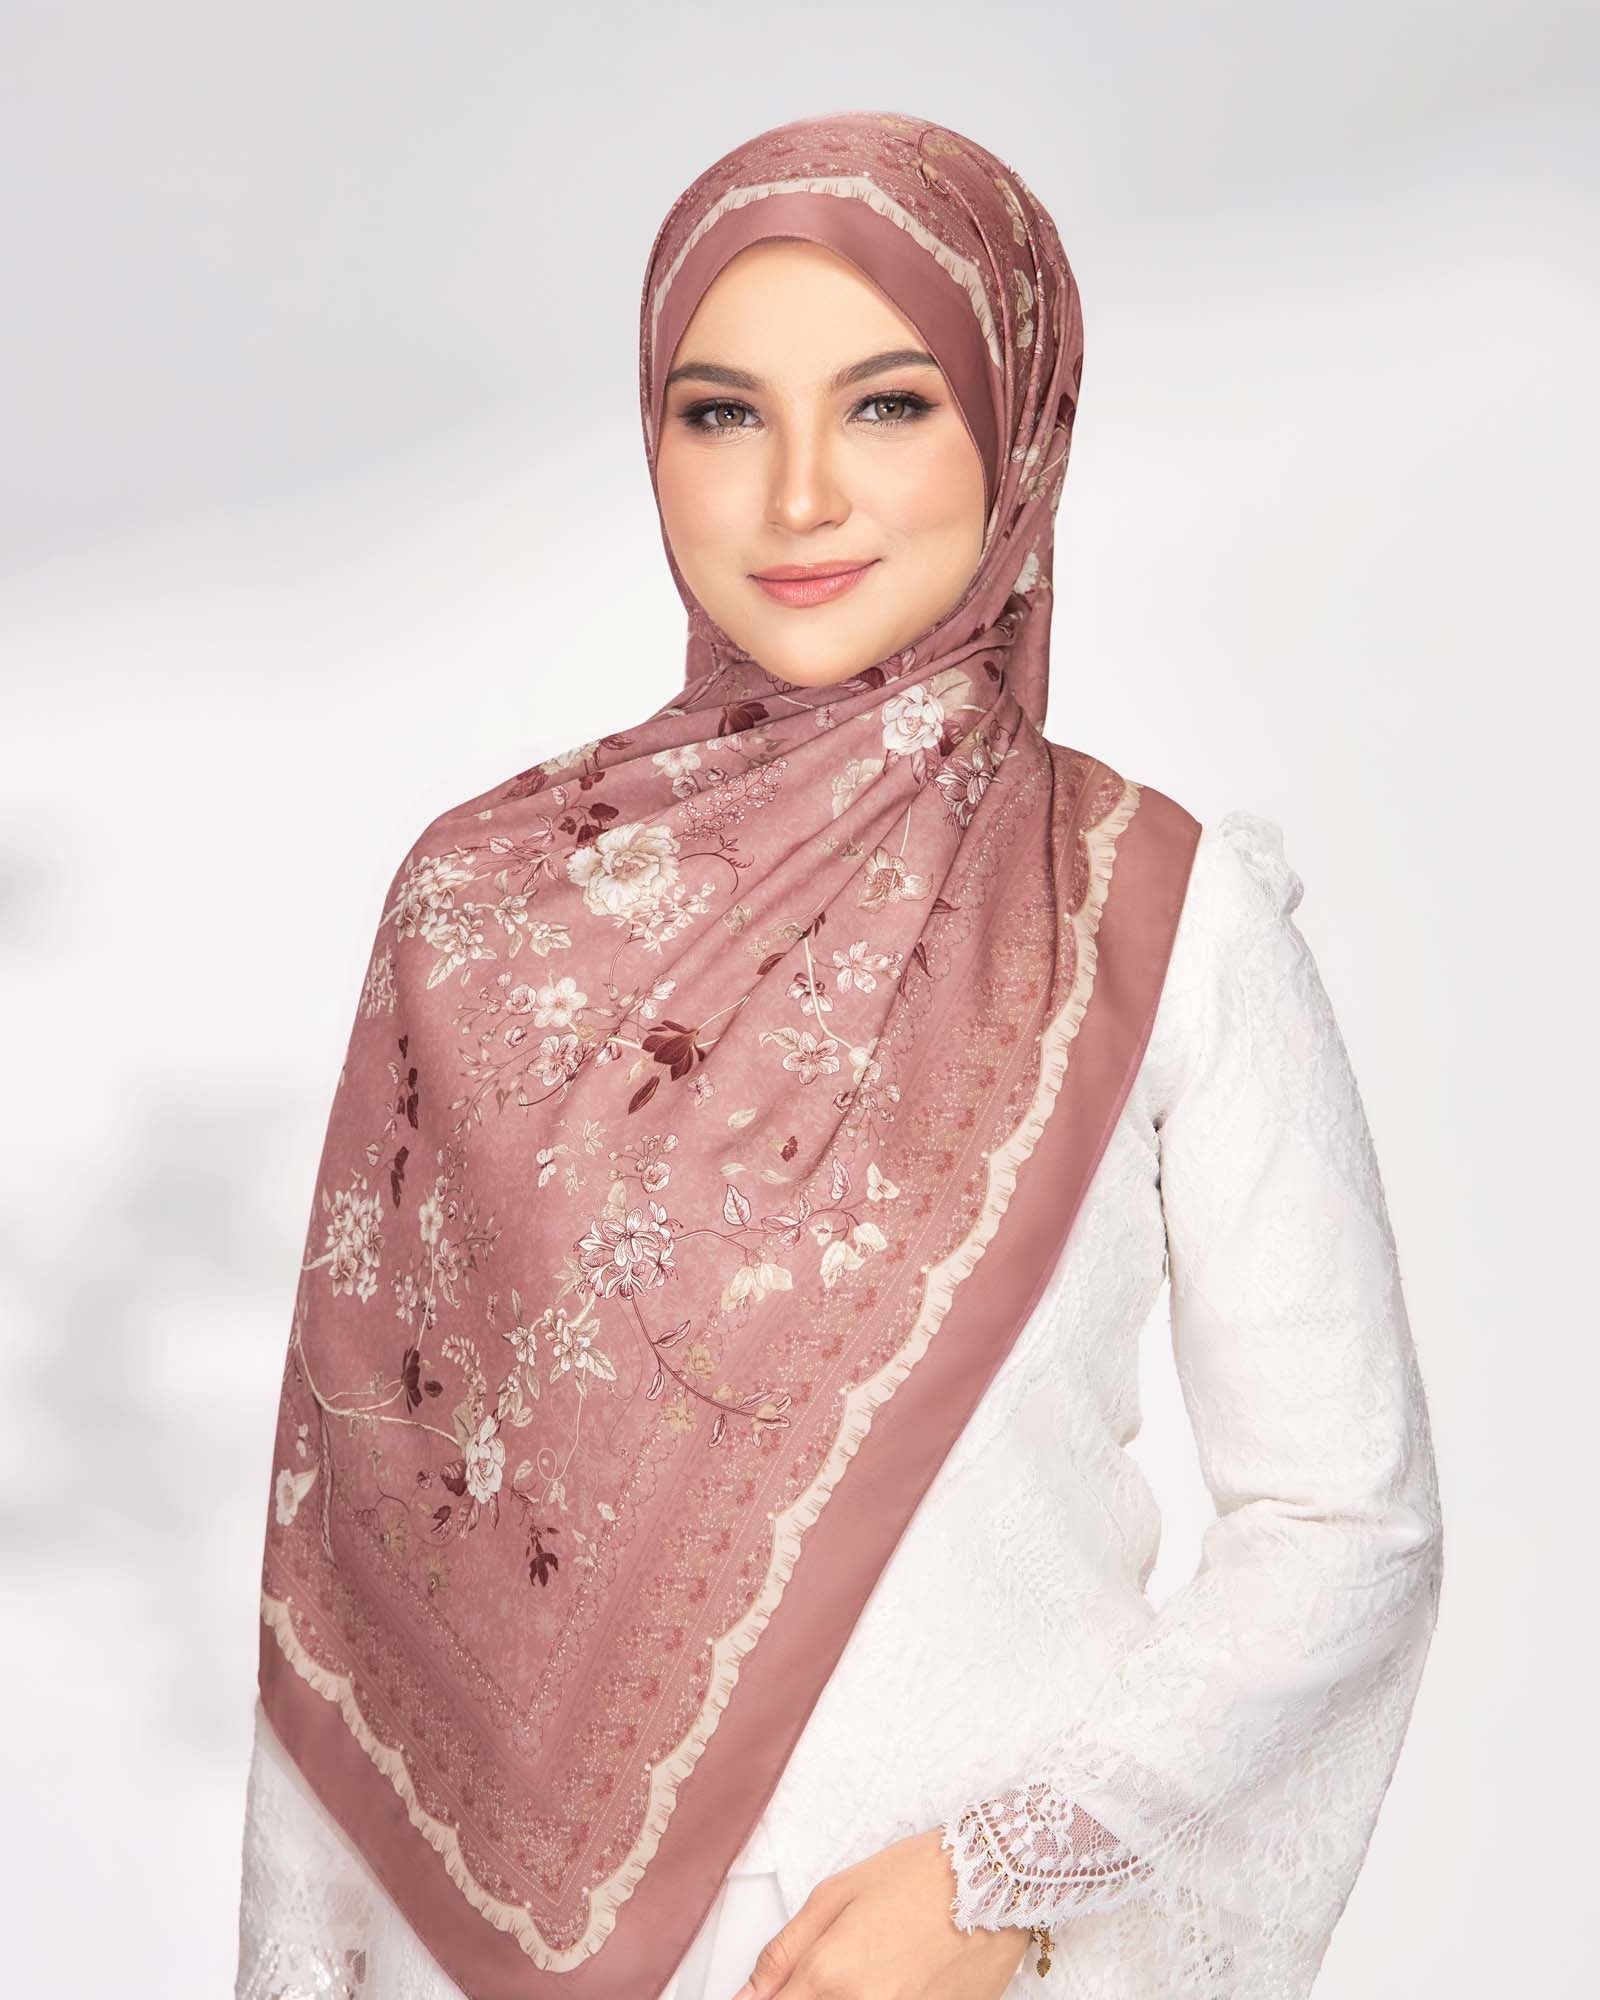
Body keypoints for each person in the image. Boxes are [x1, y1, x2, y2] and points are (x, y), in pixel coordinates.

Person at [234, 110, 1443, 2000]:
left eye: (887, 405)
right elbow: (357, 1581)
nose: (799, 497)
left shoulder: (1154, 913)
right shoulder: (477, 915)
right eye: (722, 414)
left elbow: (1345, 1526)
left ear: (1017, 427)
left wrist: (1003, 1880)